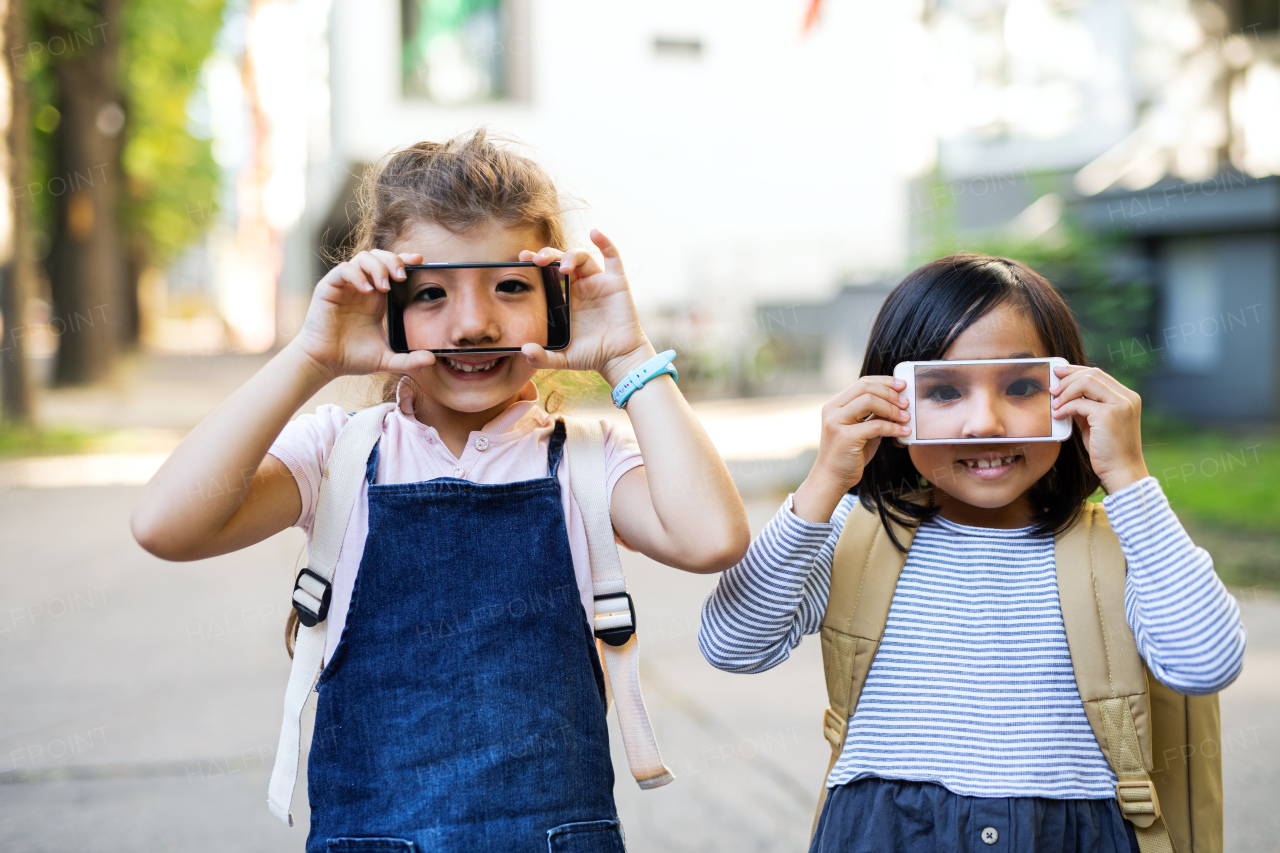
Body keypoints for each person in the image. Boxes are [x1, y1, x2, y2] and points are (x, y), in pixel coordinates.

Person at [131, 129, 750, 851]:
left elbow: (713, 537)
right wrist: (310, 357)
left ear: (559, 299)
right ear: (380, 304)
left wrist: (629, 356)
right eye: (431, 293)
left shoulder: (585, 459)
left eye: (511, 286)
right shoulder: (342, 451)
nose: (473, 322)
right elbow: (165, 524)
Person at [698, 253, 1245, 853]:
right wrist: (824, 482)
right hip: (886, 832)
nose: (984, 422)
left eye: (1019, 386)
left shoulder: (1119, 546)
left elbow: (1205, 663)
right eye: (945, 391)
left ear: (1071, 392)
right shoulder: (856, 532)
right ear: (889, 402)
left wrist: (1129, 477)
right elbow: (733, 646)